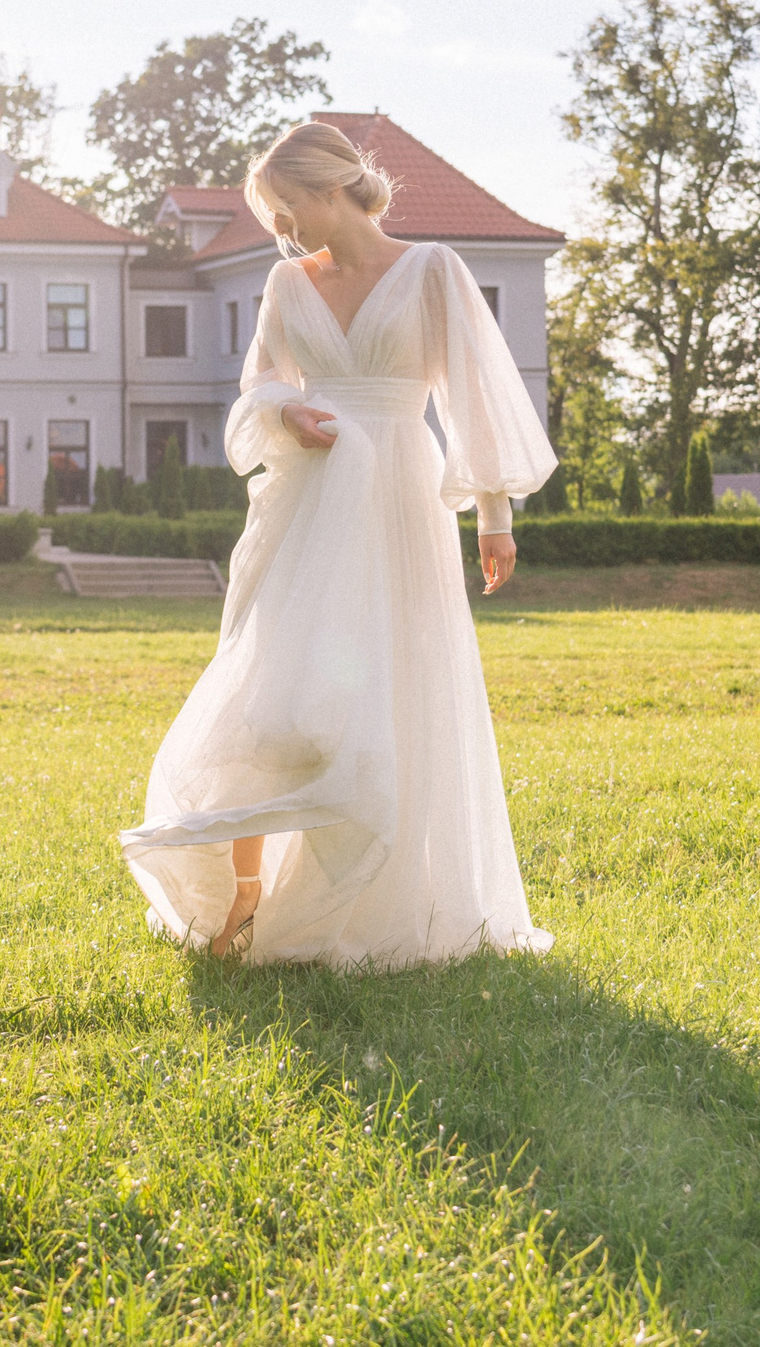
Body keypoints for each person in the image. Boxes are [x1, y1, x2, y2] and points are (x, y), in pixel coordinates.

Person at [118, 121, 557, 967]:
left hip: (399, 497)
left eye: (287, 210)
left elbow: (474, 394)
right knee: (271, 685)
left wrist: (495, 517)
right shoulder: (286, 284)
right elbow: (259, 389)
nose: (283, 231)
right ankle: (246, 891)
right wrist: (287, 412)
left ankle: (393, 895)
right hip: (308, 503)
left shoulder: (434, 270)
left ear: (328, 190)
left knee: (395, 677)